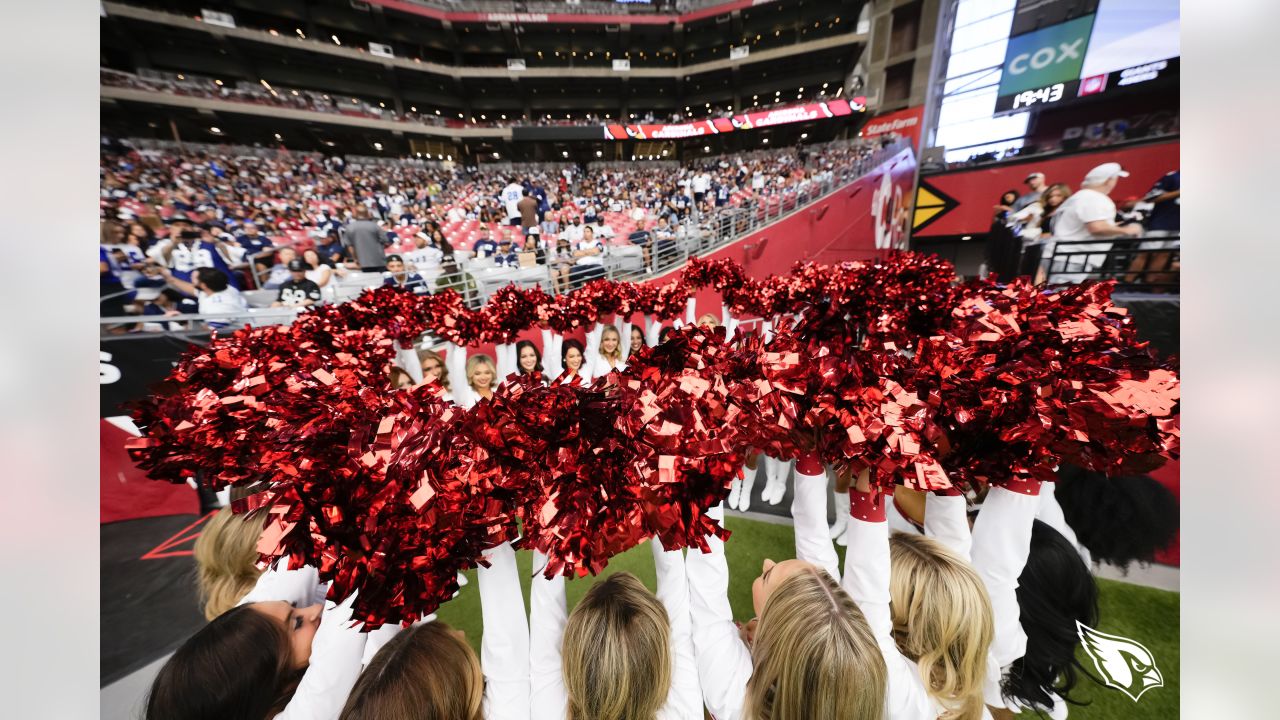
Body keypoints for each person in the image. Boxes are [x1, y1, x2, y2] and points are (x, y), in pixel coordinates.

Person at [686, 497, 887, 720]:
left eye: (766, 576)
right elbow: (871, 579)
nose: (767, 562)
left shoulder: (733, 695)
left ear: (776, 633)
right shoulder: (857, 678)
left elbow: (706, 590)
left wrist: (707, 485)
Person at [1051, 163, 1143, 279]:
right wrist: (1128, 230)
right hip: (1072, 258)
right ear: (1109, 180)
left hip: (1062, 255)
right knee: (1060, 295)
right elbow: (1097, 228)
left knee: (1050, 294)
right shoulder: (1096, 198)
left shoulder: (1080, 197)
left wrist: (1113, 227)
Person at [159, 266, 249, 330]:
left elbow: (210, 333)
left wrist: (184, 321)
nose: (190, 279)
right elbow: (192, 289)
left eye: (193, 278)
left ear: (203, 285)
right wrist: (170, 278)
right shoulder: (219, 287)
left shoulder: (220, 306)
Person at [343, 205, 389, 271]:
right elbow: (386, 241)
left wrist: (356, 259)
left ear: (356, 213)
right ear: (367, 213)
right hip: (379, 261)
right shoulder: (375, 226)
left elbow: (350, 247)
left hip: (362, 262)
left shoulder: (350, 228)